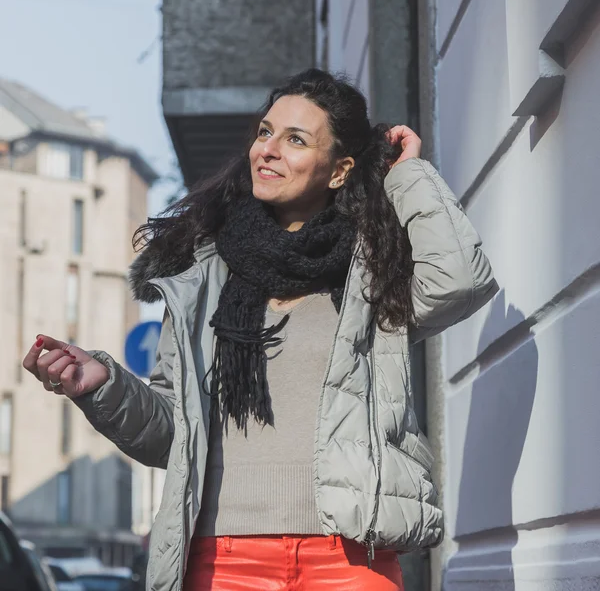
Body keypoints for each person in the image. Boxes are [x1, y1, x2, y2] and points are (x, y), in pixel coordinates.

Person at [23, 69, 498, 591]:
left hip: (347, 558)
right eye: (265, 132)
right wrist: (104, 386)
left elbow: (461, 282)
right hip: (223, 561)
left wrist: (407, 176)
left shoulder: (369, 277)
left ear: (338, 171)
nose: (267, 149)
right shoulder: (200, 279)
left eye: (295, 139)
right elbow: (171, 437)